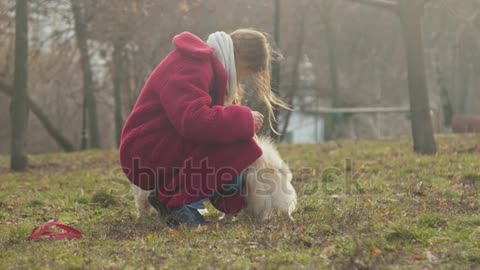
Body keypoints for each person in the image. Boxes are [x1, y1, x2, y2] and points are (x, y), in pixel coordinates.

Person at [119, 29, 288, 228]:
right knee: (239, 144)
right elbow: (193, 121)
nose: (243, 79)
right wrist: (242, 119)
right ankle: (177, 204)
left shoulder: (205, 65)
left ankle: (182, 199)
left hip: (157, 147)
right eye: (248, 73)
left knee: (234, 146)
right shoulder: (194, 65)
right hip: (145, 152)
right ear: (243, 62)